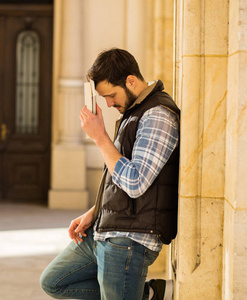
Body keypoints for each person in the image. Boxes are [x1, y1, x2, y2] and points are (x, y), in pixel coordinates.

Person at [40, 48, 180, 300]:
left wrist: (100, 137)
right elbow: (117, 175)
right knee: (53, 282)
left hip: (129, 241)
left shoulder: (158, 115)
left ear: (131, 81)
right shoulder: (133, 112)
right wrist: (95, 211)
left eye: (111, 95)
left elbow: (136, 182)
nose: (108, 103)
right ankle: (145, 294)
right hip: (105, 229)